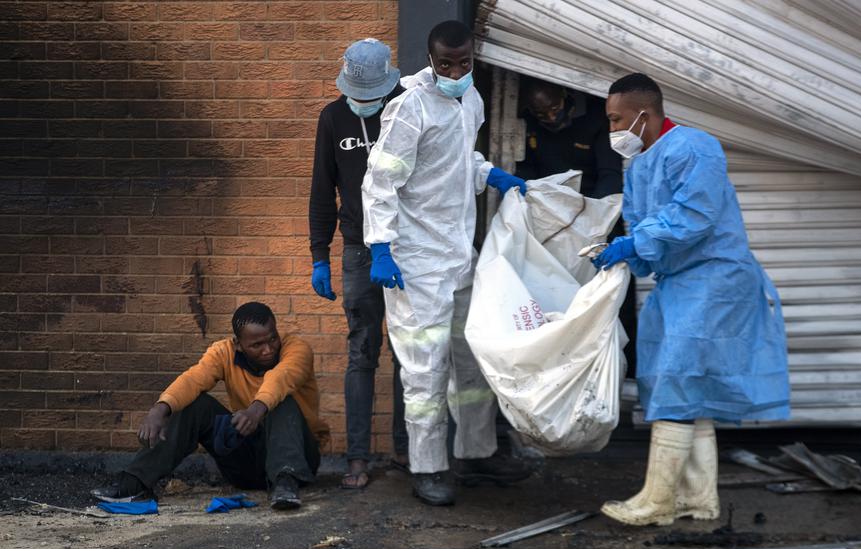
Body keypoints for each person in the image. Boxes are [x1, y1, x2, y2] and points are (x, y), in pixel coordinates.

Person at [593, 73, 790, 526]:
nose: (612, 130)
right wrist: (621, 252)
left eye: (616, 119)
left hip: (713, 278)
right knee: (683, 387)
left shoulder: (694, 147)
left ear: (645, 113)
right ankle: (698, 500)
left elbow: (694, 216)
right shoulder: (640, 163)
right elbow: (645, 228)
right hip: (680, 283)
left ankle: (658, 501)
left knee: (678, 383)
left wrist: (636, 243)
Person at [361, 20, 532, 506]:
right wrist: (381, 247)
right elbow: (381, 183)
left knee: (472, 362)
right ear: (430, 59)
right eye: (445, 64)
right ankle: (429, 467)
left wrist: (489, 173)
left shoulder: (471, 99)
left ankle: (477, 454)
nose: (455, 71)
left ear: (473, 56)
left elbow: (456, 163)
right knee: (425, 372)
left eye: (463, 62)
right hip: (415, 265)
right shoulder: (409, 108)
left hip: (459, 256)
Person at [90, 302, 329, 510]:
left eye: (272, 339)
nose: (268, 349)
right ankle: (136, 483)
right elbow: (193, 379)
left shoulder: (297, 349)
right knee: (194, 403)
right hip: (250, 462)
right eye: (257, 345)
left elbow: (282, 378)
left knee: (280, 401)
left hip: (299, 459)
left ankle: (285, 483)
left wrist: (257, 408)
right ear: (238, 344)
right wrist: (160, 408)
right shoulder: (223, 353)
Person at [309, 38, 410, 490]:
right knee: (362, 352)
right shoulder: (333, 118)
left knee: (413, 352)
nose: (363, 104)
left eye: (371, 97)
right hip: (357, 249)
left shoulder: (409, 107)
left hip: (409, 248)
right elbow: (321, 191)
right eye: (357, 96)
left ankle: (411, 452)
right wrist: (319, 256)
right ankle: (357, 459)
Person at [515, 78, 636, 376]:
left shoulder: (594, 118)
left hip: (597, 219)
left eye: (554, 108)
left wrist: (589, 219)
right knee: (560, 295)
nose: (551, 117)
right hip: (554, 224)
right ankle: (564, 370)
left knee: (611, 294)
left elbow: (610, 175)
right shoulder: (528, 124)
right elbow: (528, 169)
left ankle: (624, 371)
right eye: (542, 113)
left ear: (566, 95)